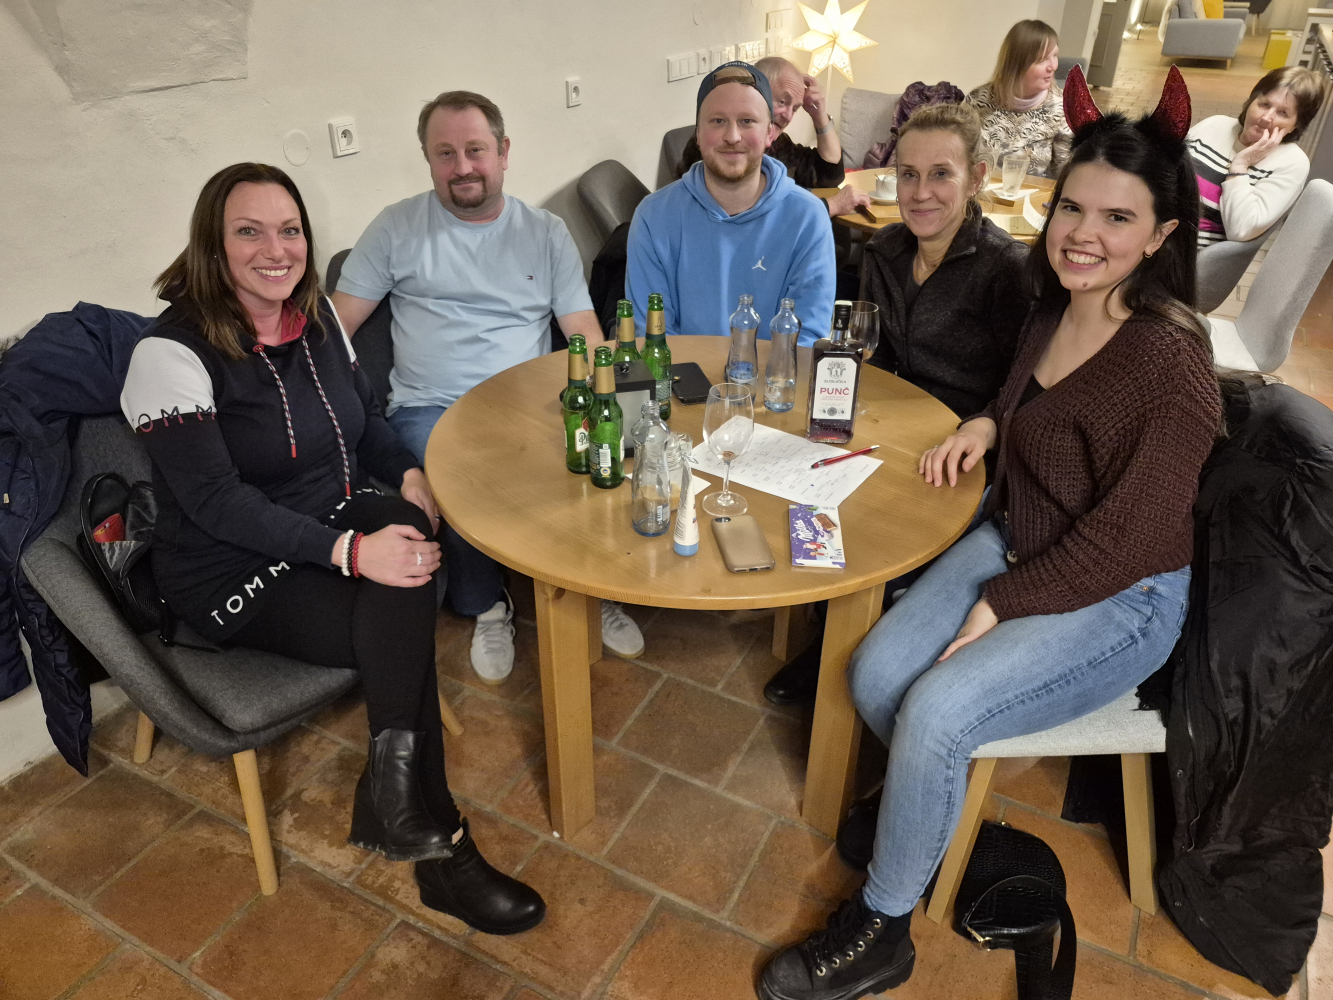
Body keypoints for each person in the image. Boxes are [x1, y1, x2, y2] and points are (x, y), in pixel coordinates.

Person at [756, 67, 1221, 1000]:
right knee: (873, 674)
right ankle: (928, 813)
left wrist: (1001, 604)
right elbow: (1020, 404)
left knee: (935, 711)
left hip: (1120, 595)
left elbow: (1125, 542)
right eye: (1072, 208)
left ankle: (884, 928)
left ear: (1160, 235)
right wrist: (984, 424)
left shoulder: (1168, 362)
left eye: (1117, 218)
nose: (1082, 233)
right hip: (1023, 537)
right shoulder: (1054, 303)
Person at [120, 162, 545, 936]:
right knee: (399, 595)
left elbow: (366, 422)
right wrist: (353, 553)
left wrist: (407, 472)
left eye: (290, 230)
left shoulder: (314, 318)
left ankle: (393, 788)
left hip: (327, 515)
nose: (275, 249)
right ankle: (440, 845)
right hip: (229, 566)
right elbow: (216, 504)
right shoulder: (168, 357)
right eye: (249, 232)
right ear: (212, 247)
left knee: (408, 543)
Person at [331, 90, 645, 682]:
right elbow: (335, 328)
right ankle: (486, 607)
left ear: (503, 152)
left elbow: (582, 326)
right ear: (428, 160)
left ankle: (594, 588)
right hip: (430, 406)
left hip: (527, 399)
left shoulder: (544, 231)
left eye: (475, 150)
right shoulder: (396, 227)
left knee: (596, 444)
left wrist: (611, 399)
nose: (462, 167)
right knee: (459, 472)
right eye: (445, 153)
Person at [762, 101, 1030, 708]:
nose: (921, 192)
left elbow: (1021, 387)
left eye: (941, 174)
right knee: (803, 483)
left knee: (880, 530)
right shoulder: (884, 250)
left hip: (960, 447)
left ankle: (845, 648)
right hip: (890, 423)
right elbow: (872, 356)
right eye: (908, 174)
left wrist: (981, 427)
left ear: (976, 178)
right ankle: (828, 623)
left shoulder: (1006, 270)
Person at [627, 61, 836, 345]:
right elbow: (653, 337)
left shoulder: (808, 218)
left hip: (776, 374)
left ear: (770, 133)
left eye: (747, 121)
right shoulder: (653, 217)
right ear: (698, 134)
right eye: (718, 121)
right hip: (681, 373)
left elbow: (806, 338)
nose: (732, 137)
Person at [676, 56, 872, 220]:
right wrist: (830, 206)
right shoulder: (719, 145)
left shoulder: (778, 143)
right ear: (757, 92)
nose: (788, 116)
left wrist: (819, 116)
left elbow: (828, 175)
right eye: (783, 102)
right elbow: (744, 215)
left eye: (795, 108)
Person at [1186, 65, 1323, 247]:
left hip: (1191, 252)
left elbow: (1241, 230)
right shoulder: (1213, 125)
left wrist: (1240, 167)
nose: (1266, 118)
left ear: (1296, 125)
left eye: (1283, 113)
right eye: (1264, 104)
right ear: (1250, 102)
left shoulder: (1292, 163)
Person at [966, 19, 1072, 178]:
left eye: (1055, 55)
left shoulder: (1062, 107)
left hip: (1035, 192)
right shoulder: (977, 100)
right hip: (981, 190)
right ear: (1017, 64)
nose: (1053, 66)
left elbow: (1065, 174)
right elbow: (959, 156)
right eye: (1042, 60)